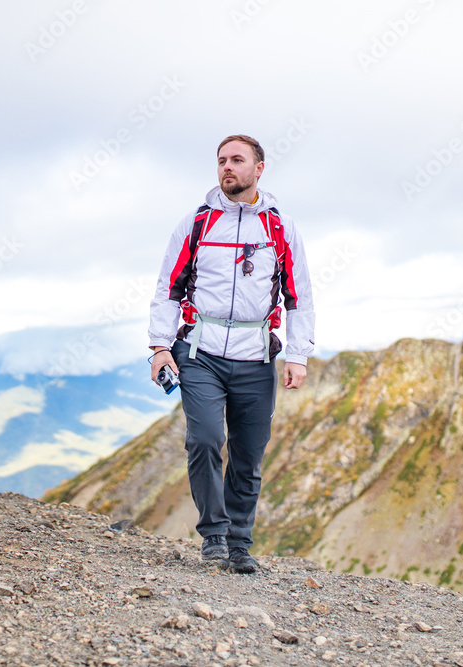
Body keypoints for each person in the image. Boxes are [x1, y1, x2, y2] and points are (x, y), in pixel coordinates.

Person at [148, 134, 315, 573]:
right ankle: (215, 535)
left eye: (237, 160)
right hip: (199, 351)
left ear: (259, 168)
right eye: (221, 160)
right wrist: (159, 347)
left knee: (248, 454)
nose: (227, 167)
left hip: (256, 356)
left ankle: (240, 544)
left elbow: (299, 298)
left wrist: (298, 355)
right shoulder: (196, 223)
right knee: (204, 439)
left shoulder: (280, 228)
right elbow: (168, 288)